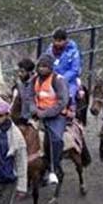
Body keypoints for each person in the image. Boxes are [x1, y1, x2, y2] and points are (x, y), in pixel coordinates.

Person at [32, 54, 71, 186]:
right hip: (37, 112)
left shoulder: (58, 80)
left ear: (51, 68)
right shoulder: (35, 79)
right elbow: (29, 95)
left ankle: (53, 168)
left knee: (55, 139)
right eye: (40, 66)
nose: (42, 69)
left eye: (45, 67)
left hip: (56, 115)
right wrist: (33, 110)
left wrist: (46, 113)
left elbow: (62, 101)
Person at [50, 29, 83, 115]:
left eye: (59, 41)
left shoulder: (73, 52)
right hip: (51, 77)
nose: (57, 43)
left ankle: (70, 112)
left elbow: (75, 69)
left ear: (65, 40)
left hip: (68, 80)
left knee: (69, 94)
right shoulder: (50, 50)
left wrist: (63, 78)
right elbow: (46, 61)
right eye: (55, 40)